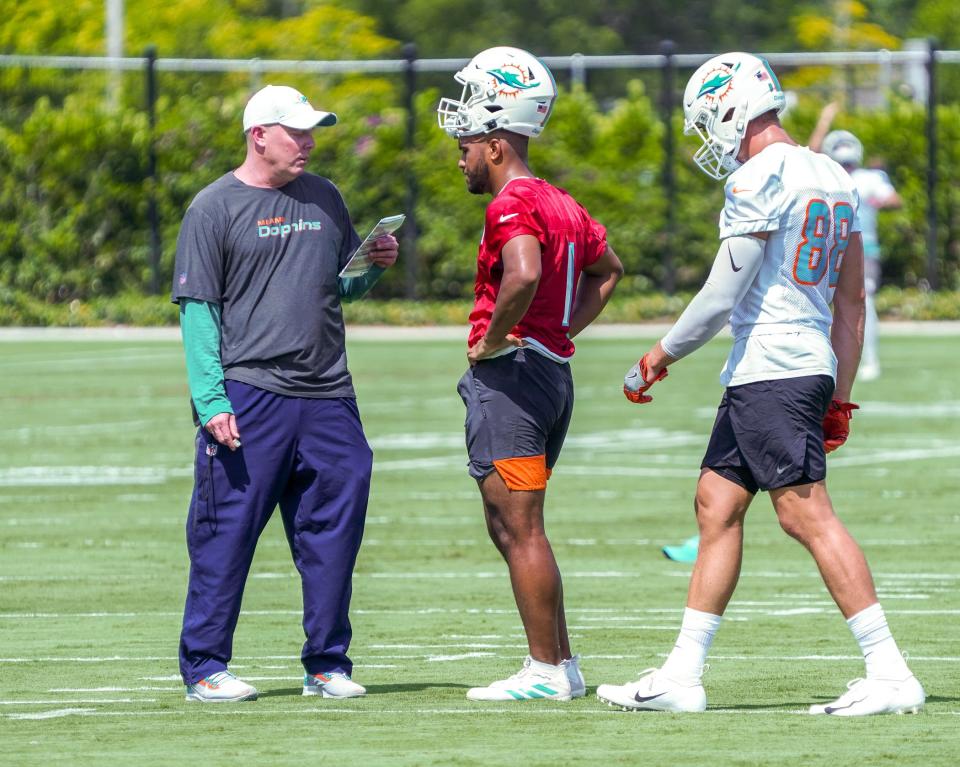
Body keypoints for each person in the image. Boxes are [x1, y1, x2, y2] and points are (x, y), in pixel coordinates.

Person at [596, 53, 924, 717]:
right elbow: (852, 302)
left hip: (772, 365)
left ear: (727, 108)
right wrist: (840, 391)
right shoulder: (835, 174)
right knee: (716, 503)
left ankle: (889, 668)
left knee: (806, 512)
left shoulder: (759, 178)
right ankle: (683, 673)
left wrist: (660, 353)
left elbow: (723, 293)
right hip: (793, 365)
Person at [172, 84, 399, 703]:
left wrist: (373, 263)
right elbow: (198, 313)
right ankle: (204, 667)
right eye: (296, 131)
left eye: (312, 131)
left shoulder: (325, 196)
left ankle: (326, 664)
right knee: (225, 534)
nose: (308, 141)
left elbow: (338, 290)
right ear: (259, 135)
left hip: (329, 395)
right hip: (250, 395)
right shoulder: (211, 209)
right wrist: (211, 400)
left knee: (333, 532)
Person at [437, 46, 624, 701]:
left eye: (465, 141)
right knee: (517, 525)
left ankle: (546, 670)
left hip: (514, 380)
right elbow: (609, 271)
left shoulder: (512, 202)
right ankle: (559, 662)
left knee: (520, 527)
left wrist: (490, 342)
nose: (457, 152)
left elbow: (523, 272)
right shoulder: (563, 202)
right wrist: (561, 331)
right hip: (549, 376)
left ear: (494, 142)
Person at [809, 105, 901, 381]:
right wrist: (824, 120)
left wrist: (880, 201)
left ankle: (869, 359)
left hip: (863, 249)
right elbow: (809, 153)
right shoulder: (823, 173)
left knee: (864, 301)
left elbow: (893, 198)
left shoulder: (869, 178)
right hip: (829, 248)